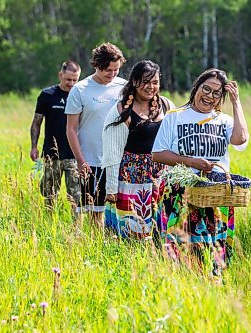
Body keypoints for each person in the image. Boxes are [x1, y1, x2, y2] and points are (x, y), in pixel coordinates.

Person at [152, 68, 249, 276]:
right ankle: (183, 286)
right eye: (206, 89)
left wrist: (236, 102)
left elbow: (240, 139)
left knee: (215, 249)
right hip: (181, 194)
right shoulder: (174, 117)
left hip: (215, 195)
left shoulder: (222, 120)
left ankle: (214, 286)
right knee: (180, 248)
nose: (210, 96)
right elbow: (158, 154)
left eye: (217, 93)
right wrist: (189, 162)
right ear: (197, 87)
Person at [101, 60, 175, 240]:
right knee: (131, 228)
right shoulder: (121, 110)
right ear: (134, 81)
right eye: (146, 81)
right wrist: (111, 189)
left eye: (155, 82)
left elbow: (175, 140)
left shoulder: (166, 106)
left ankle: (158, 258)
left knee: (160, 228)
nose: (151, 87)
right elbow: (112, 153)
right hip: (130, 178)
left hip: (159, 176)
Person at [65, 43, 127, 226]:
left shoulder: (124, 87)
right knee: (94, 212)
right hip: (91, 160)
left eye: (116, 70)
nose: (113, 74)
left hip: (118, 159)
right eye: (108, 70)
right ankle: (95, 246)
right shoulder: (81, 89)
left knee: (118, 210)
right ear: (96, 66)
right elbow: (71, 128)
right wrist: (80, 160)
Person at [30, 60, 82, 209]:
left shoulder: (80, 96)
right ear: (60, 75)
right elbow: (36, 122)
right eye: (68, 79)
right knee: (49, 194)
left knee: (76, 196)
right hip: (51, 154)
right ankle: (49, 224)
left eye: (74, 80)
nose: (71, 83)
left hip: (74, 154)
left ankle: (77, 228)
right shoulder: (47, 95)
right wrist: (34, 146)